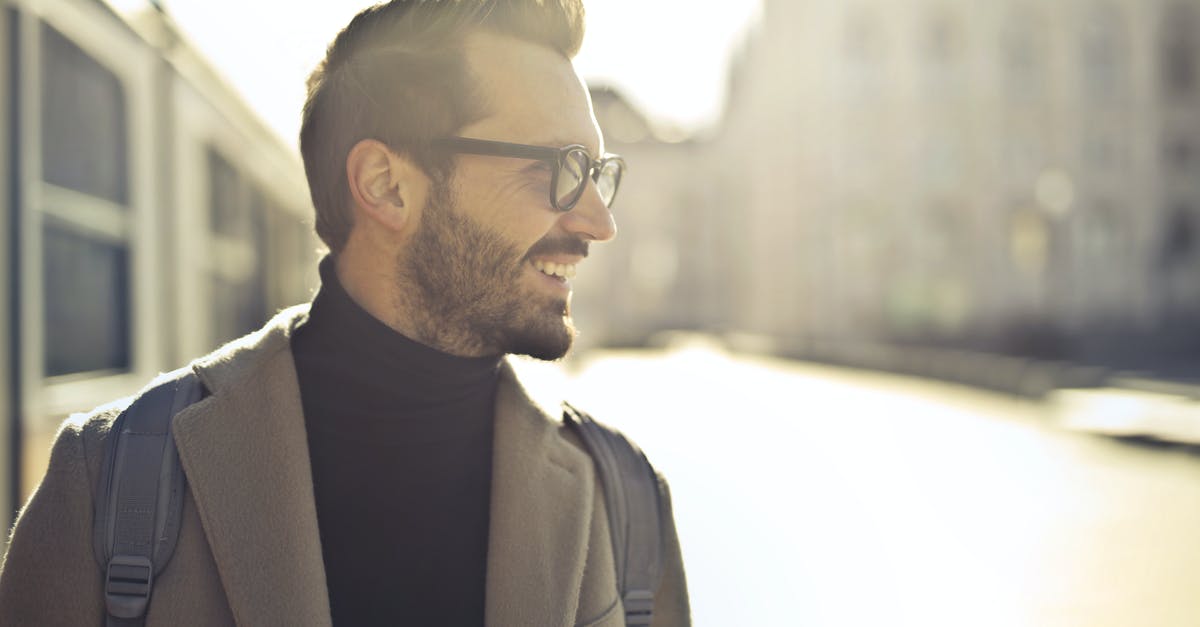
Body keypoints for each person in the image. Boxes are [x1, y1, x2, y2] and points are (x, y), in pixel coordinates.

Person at [0, 1, 690, 625]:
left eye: (600, 174)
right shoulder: (107, 484)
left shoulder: (626, 500)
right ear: (386, 186)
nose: (600, 223)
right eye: (563, 167)